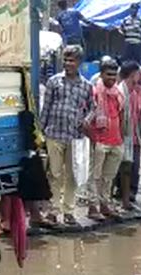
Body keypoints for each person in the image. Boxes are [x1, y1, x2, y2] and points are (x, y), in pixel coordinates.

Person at [39, 45, 93, 226]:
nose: (68, 64)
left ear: (79, 62)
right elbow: (45, 109)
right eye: (66, 60)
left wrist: (87, 119)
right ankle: (54, 211)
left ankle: (69, 211)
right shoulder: (54, 82)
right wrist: (40, 132)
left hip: (74, 136)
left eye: (72, 60)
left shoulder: (86, 86)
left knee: (72, 175)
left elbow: (93, 108)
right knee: (54, 174)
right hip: (53, 133)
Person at [88, 61, 124, 221]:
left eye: (114, 74)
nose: (112, 78)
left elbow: (121, 115)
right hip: (100, 141)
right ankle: (93, 207)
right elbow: (87, 120)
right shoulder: (95, 92)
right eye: (108, 74)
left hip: (116, 140)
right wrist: (94, 139)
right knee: (95, 176)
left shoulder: (118, 93)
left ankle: (105, 204)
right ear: (101, 74)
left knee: (108, 177)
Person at [115, 61, 141, 212]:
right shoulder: (120, 92)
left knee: (129, 168)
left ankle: (126, 199)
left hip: (132, 135)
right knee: (121, 169)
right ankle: (122, 200)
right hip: (122, 135)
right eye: (138, 73)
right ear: (133, 74)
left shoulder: (134, 92)